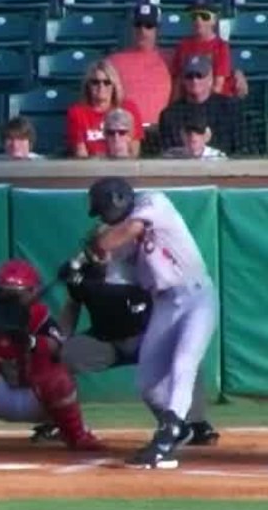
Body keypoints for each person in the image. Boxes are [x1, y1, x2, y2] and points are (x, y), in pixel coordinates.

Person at [60, 176, 217, 469]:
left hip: (196, 296)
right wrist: (78, 274)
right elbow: (110, 275)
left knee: (184, 362)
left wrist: (87, 254)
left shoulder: (153, 202)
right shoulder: (125, 250)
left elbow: (119, 235)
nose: (104, 219)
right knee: (147, 384)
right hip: (164, 305)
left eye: (104, 211)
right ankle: (178, 426)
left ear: (117, 201)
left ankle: (166, 439)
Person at [30, 244, 219, 446]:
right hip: (105, 341)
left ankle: (195, 423)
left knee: (184, 354)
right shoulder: (85, 274)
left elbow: (125, 296)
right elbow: (72, 307)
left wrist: (81, 281)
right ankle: (59, 421)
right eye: (95, 246)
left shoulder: (142, 267)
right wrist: (60, 340)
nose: (100, 252)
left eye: (105, 246)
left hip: (147, 340)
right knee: (59, 358)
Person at [0, 259, 105, 452]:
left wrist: (30, 341)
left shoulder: (41, 316)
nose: (8, 298)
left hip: (39, 397)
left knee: (58, 378)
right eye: (3, 292)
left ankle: (76, 435)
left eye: (15, 294)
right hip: (0, 395)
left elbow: (57, 347)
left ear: (32, 292)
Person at [106, 3, 177, 131]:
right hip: (126, 132)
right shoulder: (114, 61)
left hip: (160, 131)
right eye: (138, 25)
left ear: (157, 29)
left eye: (149, 26)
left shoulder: (171, 59)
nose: (143, 31)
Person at [157, 54, 244, 155]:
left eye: (200, 75)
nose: (195, 81)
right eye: (189, 76)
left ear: (210, 79)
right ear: (183, 80)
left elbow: (242, 150)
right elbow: (169, 154)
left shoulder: (230, 108)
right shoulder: (170, 115)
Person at [65, 59, 144, 158]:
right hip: (92, 170)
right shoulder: (77, 113)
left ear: (114, 85)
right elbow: (81, 156)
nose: (101, 86)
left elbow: (134, 152)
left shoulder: (129, 109)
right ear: (88, 85)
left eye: (107, 82)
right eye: (95, 82)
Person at [170, 0, 247, 98]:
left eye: (204, 16)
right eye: (194, 16)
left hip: (215, 101)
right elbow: (178, 81)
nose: (199, 20)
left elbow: (218, 84)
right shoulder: (183, 45)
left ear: (214, 20)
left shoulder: (221, 46)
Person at [163, 110, 228, 159]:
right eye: (188, 131)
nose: (193, 136)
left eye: (198, 131)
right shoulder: (171, 157)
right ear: (182, 135)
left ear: (207, 136)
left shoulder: (218, 158)